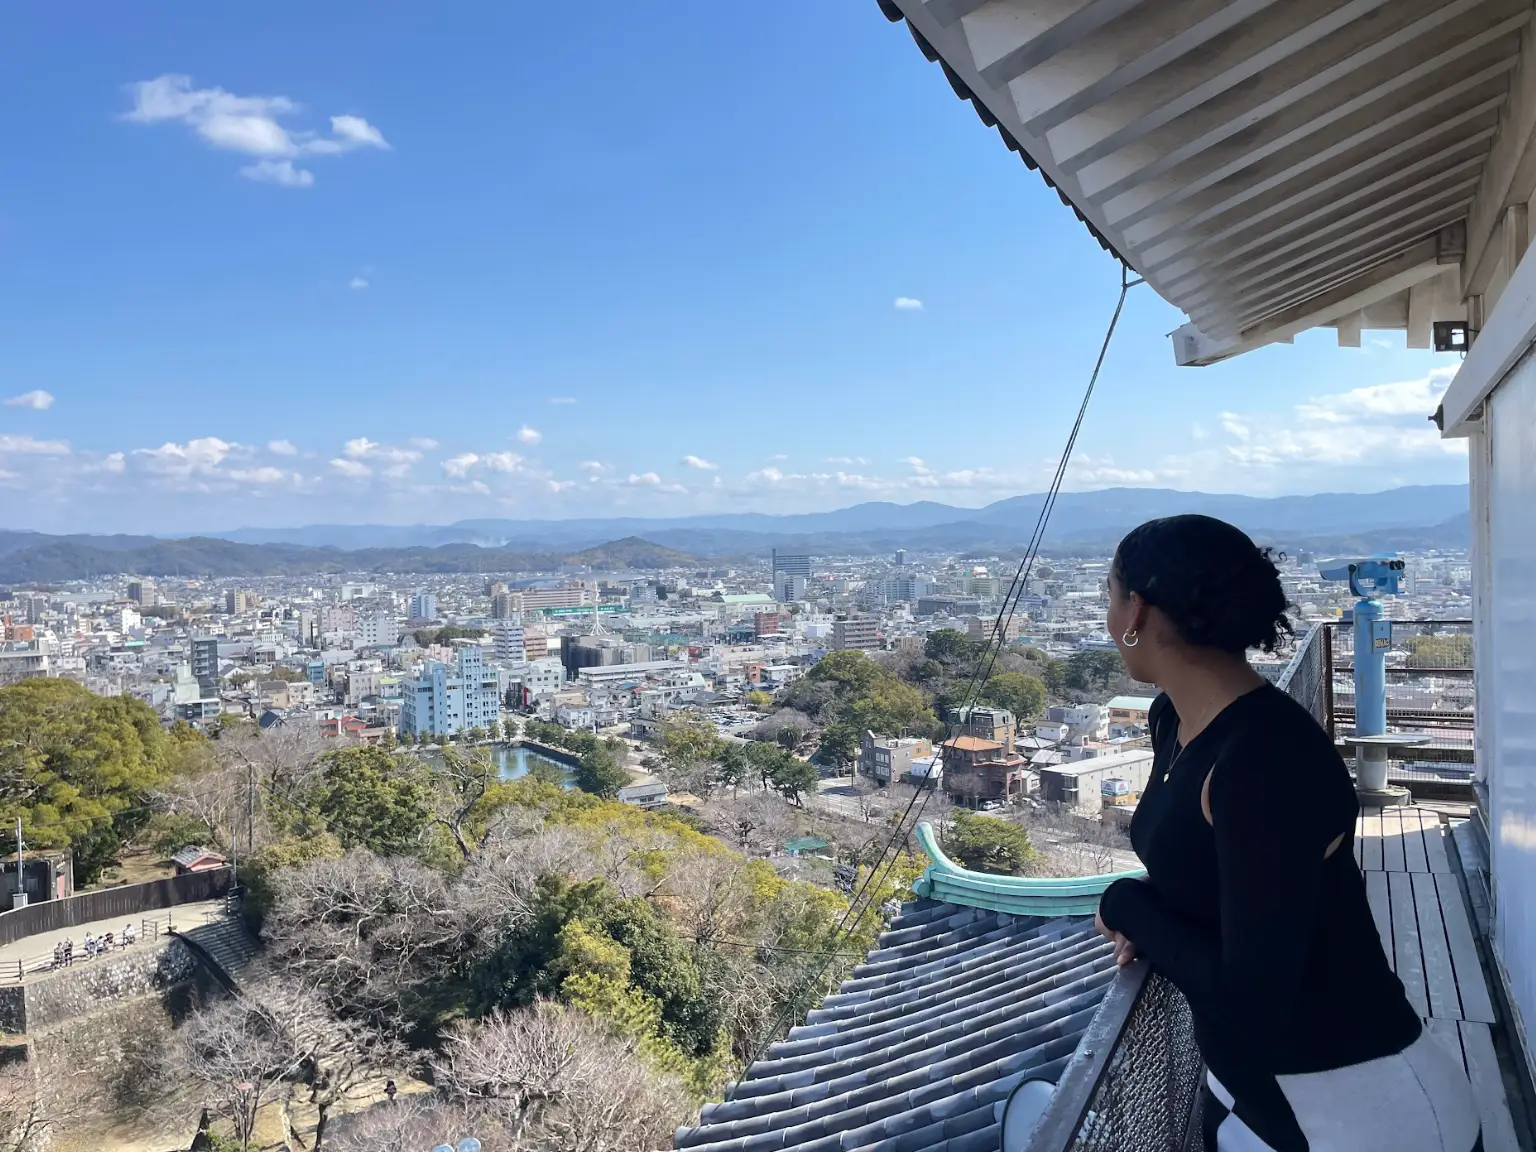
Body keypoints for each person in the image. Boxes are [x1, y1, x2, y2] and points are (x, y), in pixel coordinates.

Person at [1093, 515, 1480, 1152]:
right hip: (1258, 1097)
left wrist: (1127, 904)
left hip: (1365, 1104)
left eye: (1110, 596)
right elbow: (1217, 877)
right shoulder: (1174, 722)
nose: (1109, 618)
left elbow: (1252, 999)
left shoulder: (1265, 760)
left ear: (1137, 610)